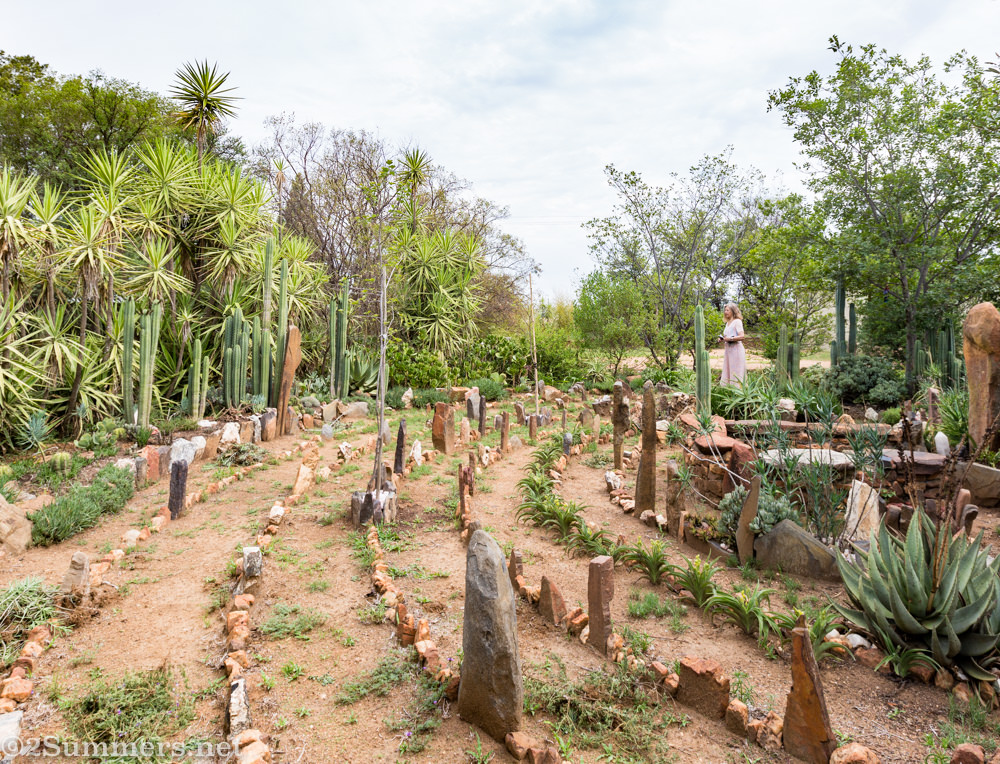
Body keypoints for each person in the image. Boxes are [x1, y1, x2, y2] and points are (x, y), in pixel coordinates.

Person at [719, 302, 746, 385]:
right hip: (728, 350)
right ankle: (728, 390)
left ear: (733, 311)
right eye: (725, 310)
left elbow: (742, 336)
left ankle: (738, 391)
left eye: (728, 310)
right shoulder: (727, 323)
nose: (725, 312)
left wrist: (730, 338)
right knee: (728, 370)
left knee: (736, 371)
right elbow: (727, 335)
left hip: (736, 350)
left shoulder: (737, 322)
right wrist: (722, 338)